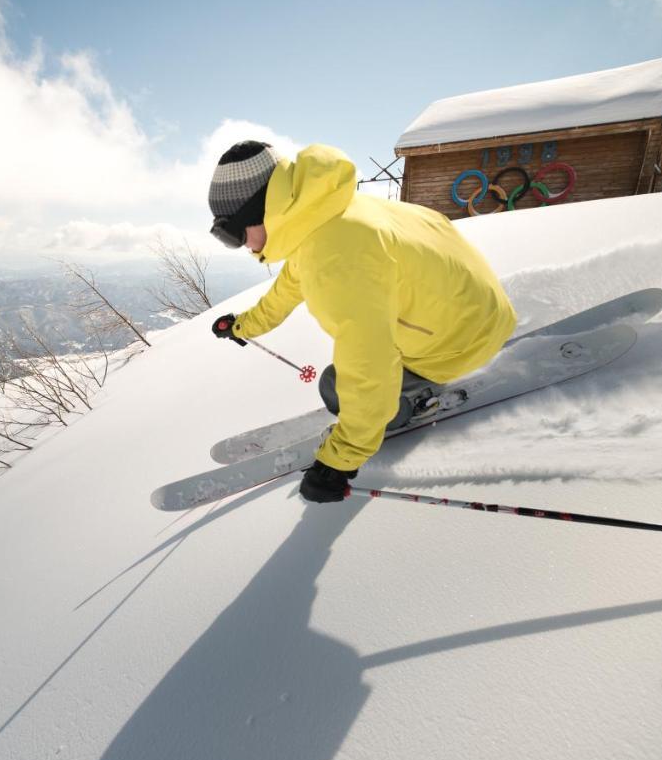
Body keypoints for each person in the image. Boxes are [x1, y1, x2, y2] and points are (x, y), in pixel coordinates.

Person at [209, 141, 516, 503]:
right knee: (345, 376)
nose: (240, 246)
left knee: (337, 386)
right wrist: (243, 325)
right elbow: (288, 288)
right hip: (477, 313)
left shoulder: (336, 257)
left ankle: (411, 401)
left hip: (458, 344)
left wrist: (340, 460)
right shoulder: (329, 214)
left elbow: (369, 363)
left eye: (231, 234)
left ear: (261, 211)